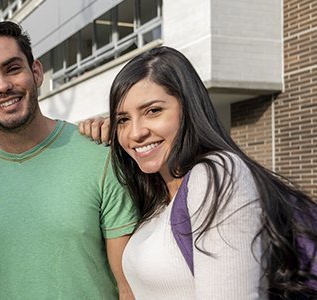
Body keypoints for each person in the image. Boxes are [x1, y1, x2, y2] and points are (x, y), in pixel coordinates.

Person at [95, 46, 317, 298]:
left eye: (153, 111)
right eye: (123, 119)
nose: (135, 133)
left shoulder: (214, 175)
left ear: (188, 108)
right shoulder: (161, 196)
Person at [0, 21, 138, 299]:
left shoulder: (100, 154)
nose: (2, 86)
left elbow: (128, 283)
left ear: (36, 72)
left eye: (13, 69)